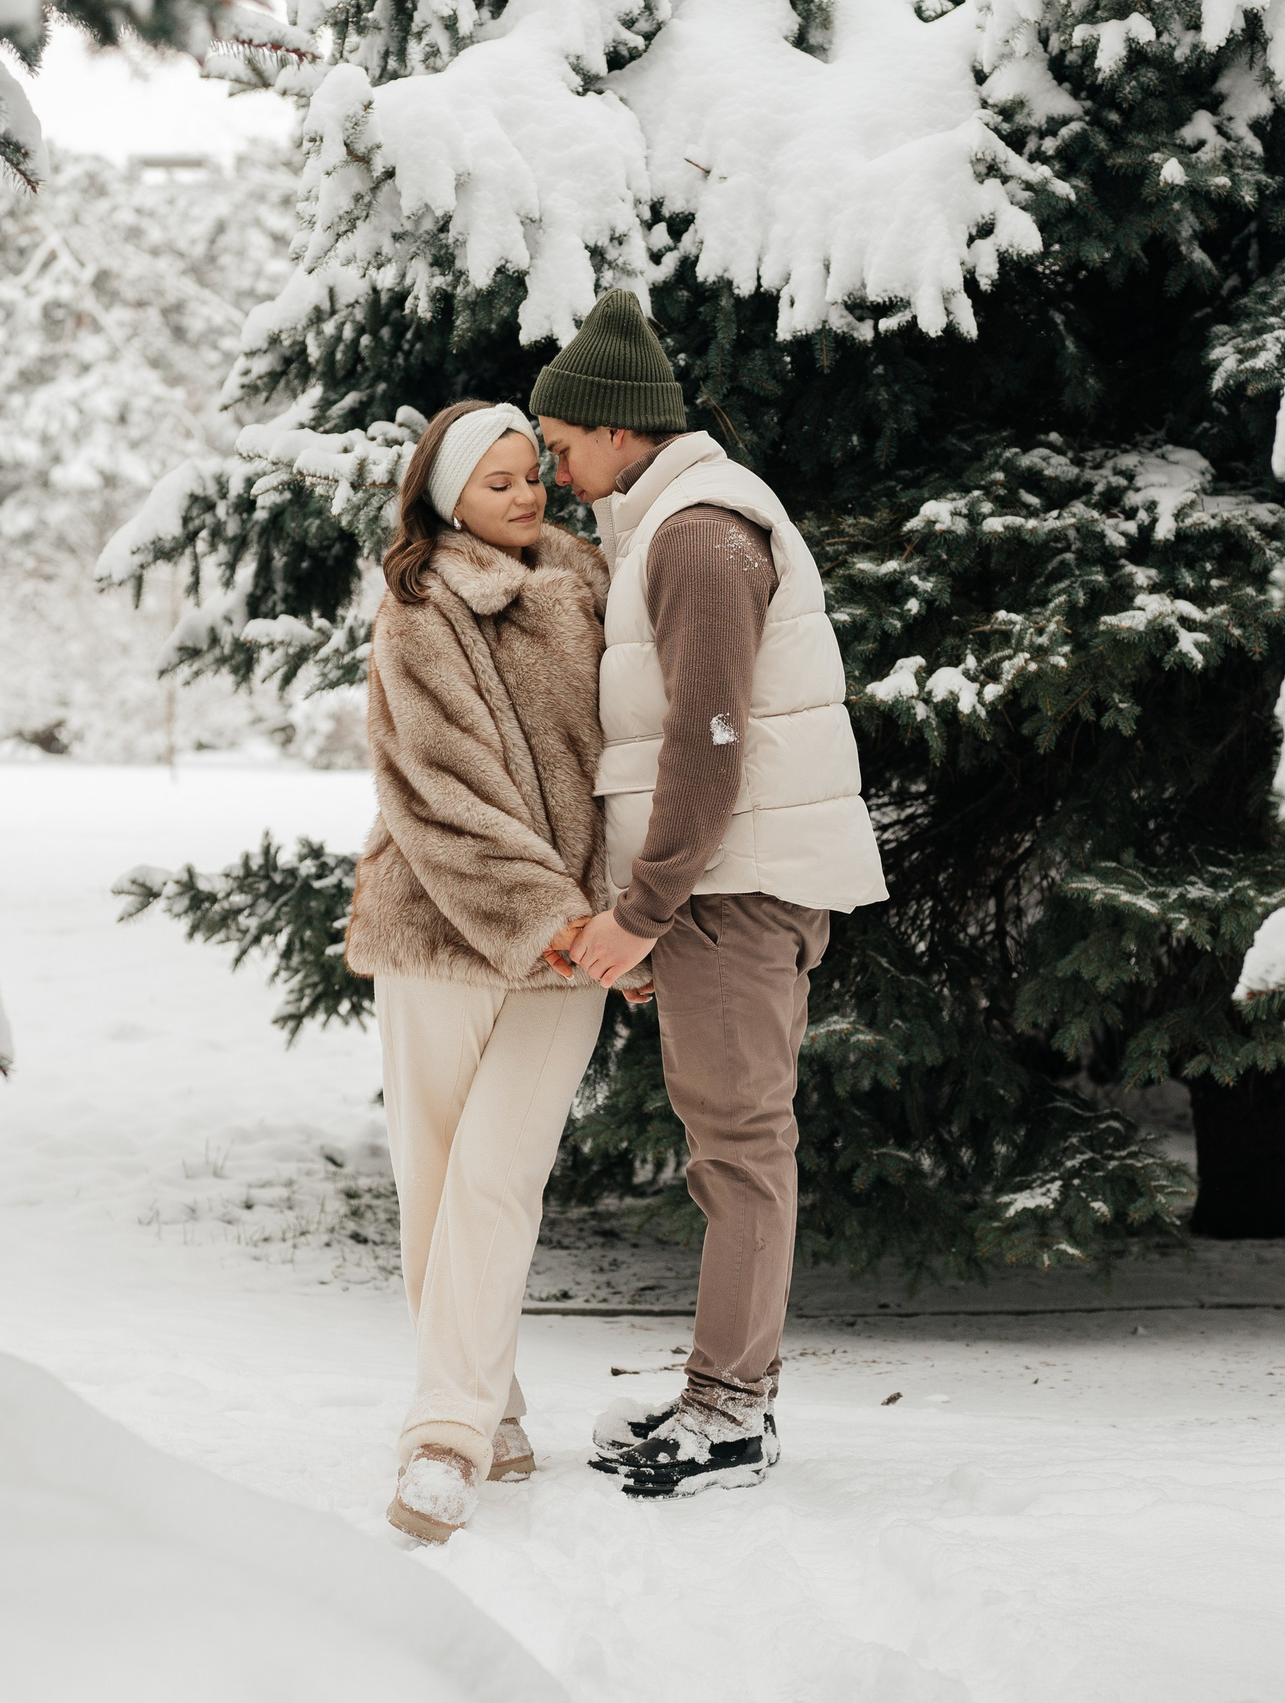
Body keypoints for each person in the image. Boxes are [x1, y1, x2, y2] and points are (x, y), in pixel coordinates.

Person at [534, 291, 889, 1499]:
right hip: (723, 886)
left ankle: (729, 1411)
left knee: (740, 1147)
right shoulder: (678, 521)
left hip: (732, 887)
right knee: (729, 1145)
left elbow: (710, 736)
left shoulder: (697, 532)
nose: (554, 467)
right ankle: (722, 1387)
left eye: (563, 441)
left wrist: (645, 903)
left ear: (617, 427)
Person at [341, 399, 639, 1543]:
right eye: (501, 481)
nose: (530, 495)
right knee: (436, 1174)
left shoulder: (596, 584)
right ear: (443, 492)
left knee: (502, 1172)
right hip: (442, 929)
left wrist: (611, 924)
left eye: (534, 474)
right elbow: (443, 791)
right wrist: (545, 915)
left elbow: (631, 761)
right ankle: (481, 1414)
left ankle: (442, 1432)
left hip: (574, 941)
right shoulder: (420, 607)